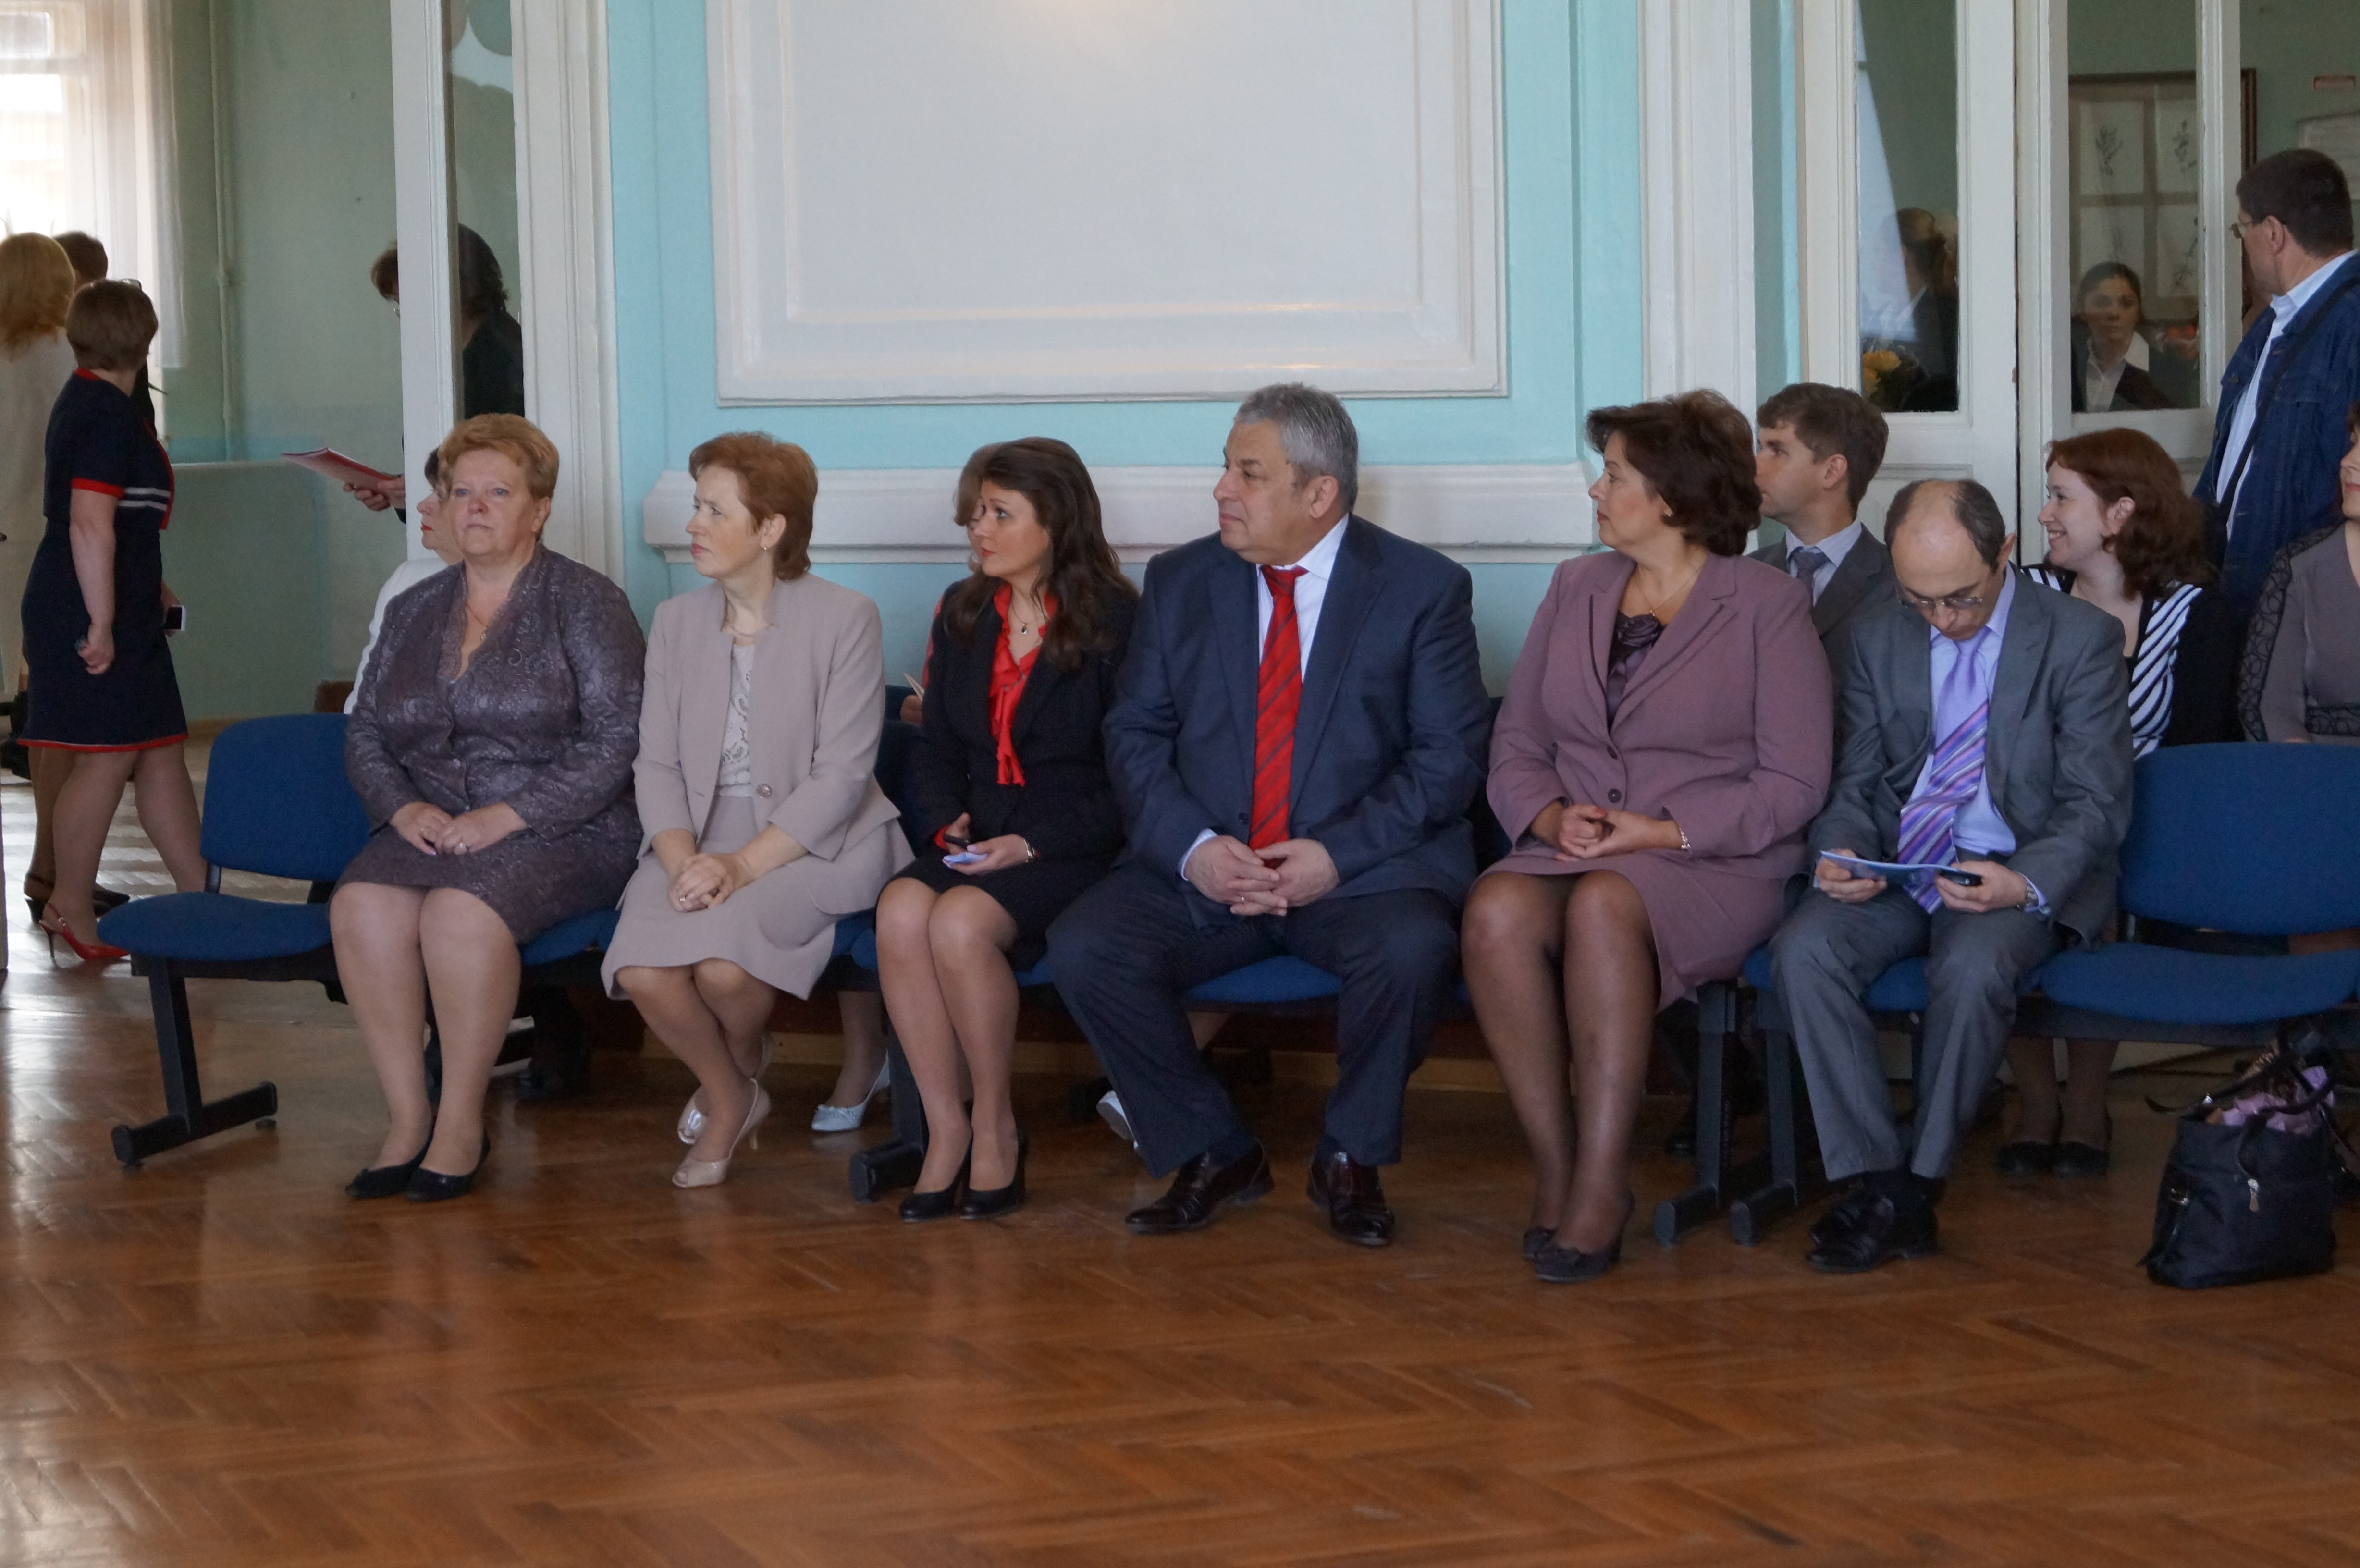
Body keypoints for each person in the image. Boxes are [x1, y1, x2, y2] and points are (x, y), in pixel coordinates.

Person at [1047, 383, 1490, 1248]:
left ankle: (1350, 1157)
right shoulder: (1182, 580)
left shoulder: (1422, 588)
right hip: (1211, 868)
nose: (1221, 489)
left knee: (1412, 948)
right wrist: (1196, 849)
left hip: (1356, 875)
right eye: (1226, 468)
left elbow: (1446, 759)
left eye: (1248, 473)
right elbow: (1135, 733)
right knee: (1087, 945)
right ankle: (1213, 1149)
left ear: (1318, 492)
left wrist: (1333, 855)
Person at [1466, 392, 1832, 1283]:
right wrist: (1551, 817)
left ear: (1670, 496)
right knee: (1494, 910)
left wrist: (1663, 831)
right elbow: (1516, 743)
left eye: (1615, 475)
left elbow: (1794, 783)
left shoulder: (1766, 604)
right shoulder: (1575, 585)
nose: (1598, 490)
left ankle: (1602, 1186)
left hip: (1714, 861)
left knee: (1604, 904)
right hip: (1578, 843)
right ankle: (1556, 1165)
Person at [1768, 479, 2134, 1272]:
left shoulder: (2078, 638)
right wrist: (1841, 850)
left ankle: (1917, 1186)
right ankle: (1875, 1178)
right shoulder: (1878, 636)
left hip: (2012, 869)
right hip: (1904, 867)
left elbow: (2095, 803)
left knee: (1971, 966)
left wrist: (2022, 882)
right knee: (1806, 948)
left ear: (2005, 554)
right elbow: (1855, 782)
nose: (1941, 619)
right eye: (1920, 600)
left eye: (1961, 598)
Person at [332, 414, 643, 1203]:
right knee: (362, 904)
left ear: (538, 509)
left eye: (497, 492)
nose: (473, 506)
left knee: (458, 914)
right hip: (432, 824)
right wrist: (402, 808)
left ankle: (461, 1123)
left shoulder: (586, 601)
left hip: (564, 828)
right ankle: (408, 1118)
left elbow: (618, 739)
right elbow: (365, 729)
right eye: (460, 491)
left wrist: (508, 817)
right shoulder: (413, 607)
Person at [607, 433, 911, 1187]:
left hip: (817, 842)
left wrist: (739, 868)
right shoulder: (675, 622)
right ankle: (734, 1090)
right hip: (693, 837)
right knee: (642, 971)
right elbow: (656, 763)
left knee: (723, 972)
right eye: (696, 506)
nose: (694, 525)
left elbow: (843, 776)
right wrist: (683, 859)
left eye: (715, 511)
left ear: (772, 527)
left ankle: (734, 1070)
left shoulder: (846, 617)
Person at [876, 438, 1138, 1222]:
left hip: (1074, 841)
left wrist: (1032, 844)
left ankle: (995, 1124)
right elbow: (935, 746)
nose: (978, 528)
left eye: (999, 513)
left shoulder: (1117, 619)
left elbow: (1133, 775)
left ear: (1055, 521)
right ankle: (945, 1129)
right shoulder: (963, 611)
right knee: (900, 909)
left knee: (958, 923)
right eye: (976, 512)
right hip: (979, 831)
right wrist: (943, 822)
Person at [1995, 427, 2238, 1177]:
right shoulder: (2022, 597)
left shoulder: (2195, 613)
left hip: (2145, 824)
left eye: (2062, 497)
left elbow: (2198, 750)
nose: (2045, 514)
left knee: (2090, 867)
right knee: (2002, 879)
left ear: (2121, 512)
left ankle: (2088, 1105)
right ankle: (2038, 1099)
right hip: (2023, 816)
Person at [20, 282, 206, 962]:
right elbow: (90, 523)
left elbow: (118, 525)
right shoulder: (105, 414)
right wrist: (100, 621)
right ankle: (69, 905)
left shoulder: (98, 403)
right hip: (89, 606)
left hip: (117, 602)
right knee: (106, 758)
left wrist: (147, 586)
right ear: (146, 338)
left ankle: (202, 898)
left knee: (158, 749)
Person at [2194, 149, 2360, 615]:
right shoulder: (2275, 320)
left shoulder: (2352, 323)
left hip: (2304, 608)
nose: (2242, 244)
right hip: (2243, 592)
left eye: (2241, 228)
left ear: (2272, 233)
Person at [345, 227, 528, 514]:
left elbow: (506, 469)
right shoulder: (447, 358)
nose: (409, 318)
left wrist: (420, 488)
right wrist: (399, 492)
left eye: (414, 303)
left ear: (458, 288)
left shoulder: (502, 358)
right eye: (401, 307)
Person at [2239, 399, 2360, 747]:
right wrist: (2303, 773)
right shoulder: (2299, 566)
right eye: (2353, 443)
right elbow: (2270, 705)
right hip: (2320, 771)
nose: (2347, 462)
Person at [1751, 382, 1896, 664]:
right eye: (1761, 447)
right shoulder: (1747, 575)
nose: (1755, 465)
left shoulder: (1899, 584)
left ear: (1831, 471)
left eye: (1777, 451)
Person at [345, 450, 462, 713]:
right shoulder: (407, 581)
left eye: (443, 495)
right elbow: (360, 711)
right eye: (432, 491)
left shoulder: (554, 596)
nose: (421, 506)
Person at [2069, 263, 2191, 413]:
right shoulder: (2068, 366)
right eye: (2102, 303)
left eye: (2126, 303)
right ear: (2082, 310)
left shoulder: (2170, 373)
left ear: (2139, 312)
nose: (2114, 313)